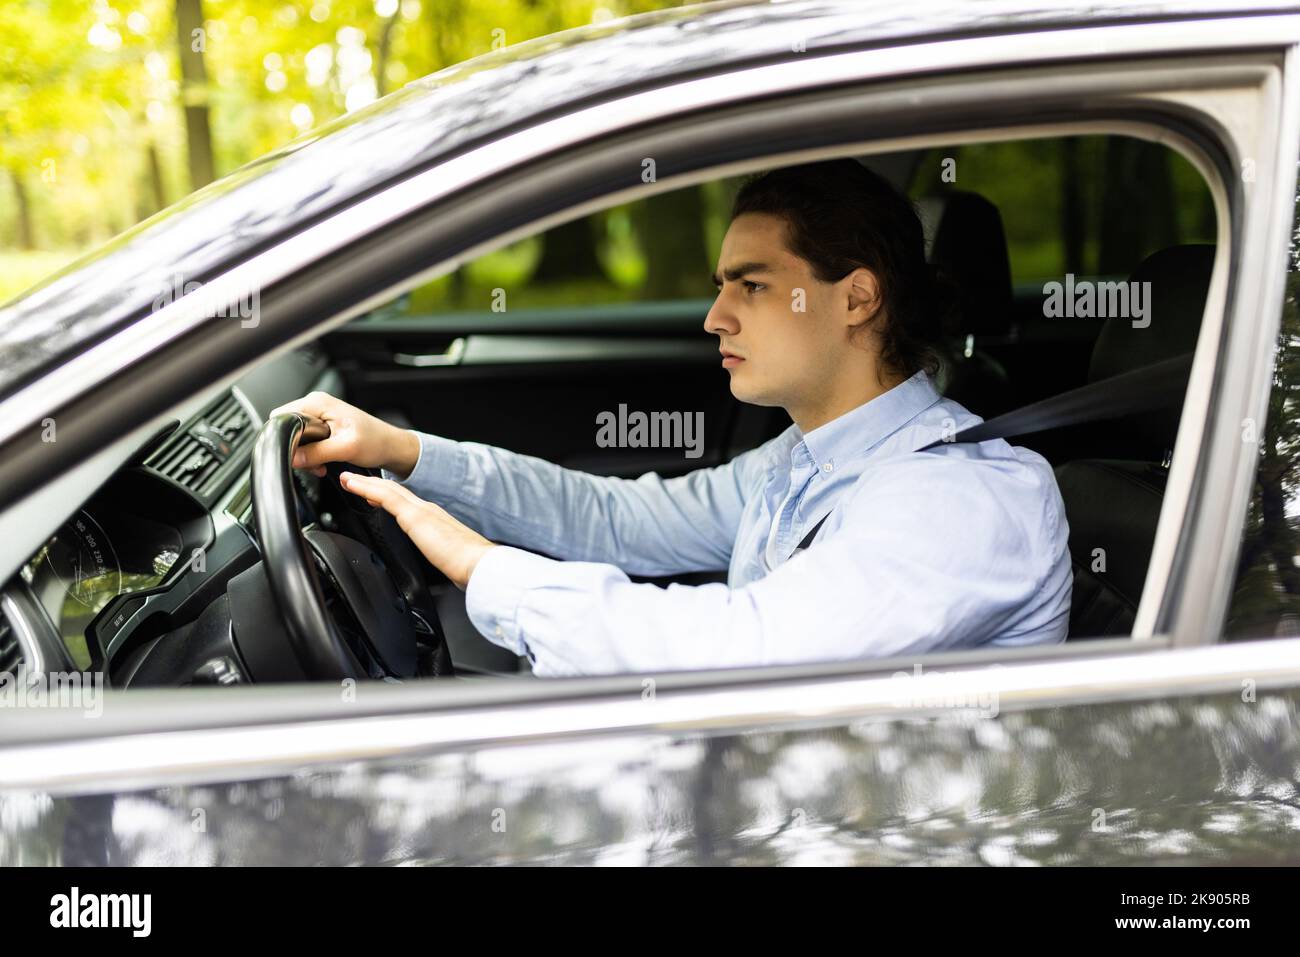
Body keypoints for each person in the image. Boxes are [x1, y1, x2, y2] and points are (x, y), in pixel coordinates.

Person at [275, 159, 1071, 676]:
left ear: (856, 298)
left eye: (750, 285)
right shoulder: (809, 458)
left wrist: (485, 569)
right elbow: (620, 519)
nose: (715, 317)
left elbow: (747, 648)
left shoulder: (958, 500)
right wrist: (407, 451)